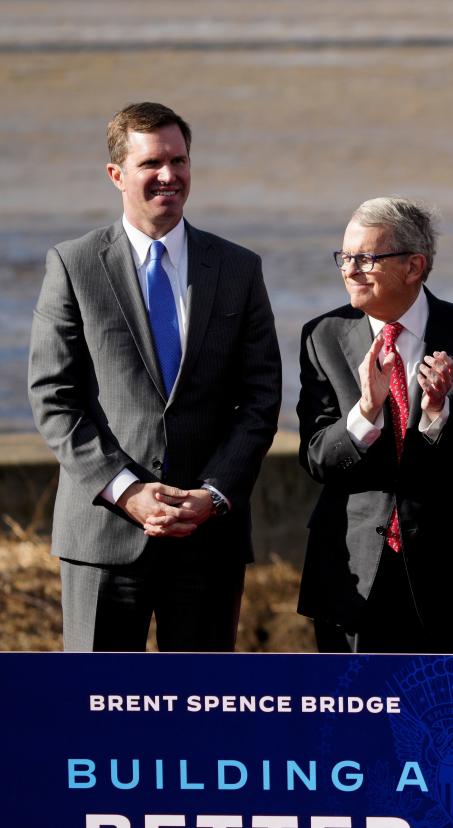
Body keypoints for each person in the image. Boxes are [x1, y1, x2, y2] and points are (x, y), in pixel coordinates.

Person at [28, 101, 281, 651]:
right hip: (103, 534)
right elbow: (54, 397)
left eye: (180, 160)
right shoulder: (73, 265)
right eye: (152, 164)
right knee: (97, 713)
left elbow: (261, 400)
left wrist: (213, 493)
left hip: (207, 536)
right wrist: (128, 490)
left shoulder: (239, 269)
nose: (170, 175)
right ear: (117, 175)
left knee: (201, 716)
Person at [297, 197, 453, 654]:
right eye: (345, 257)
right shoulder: (323, 335)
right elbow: (316, 457)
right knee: (354, 721)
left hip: (451, 576)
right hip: (350, 572)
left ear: (414, 266)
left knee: (447, 719)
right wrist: (366, 412)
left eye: (366, 258)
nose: (350, 270)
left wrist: (437, 414)